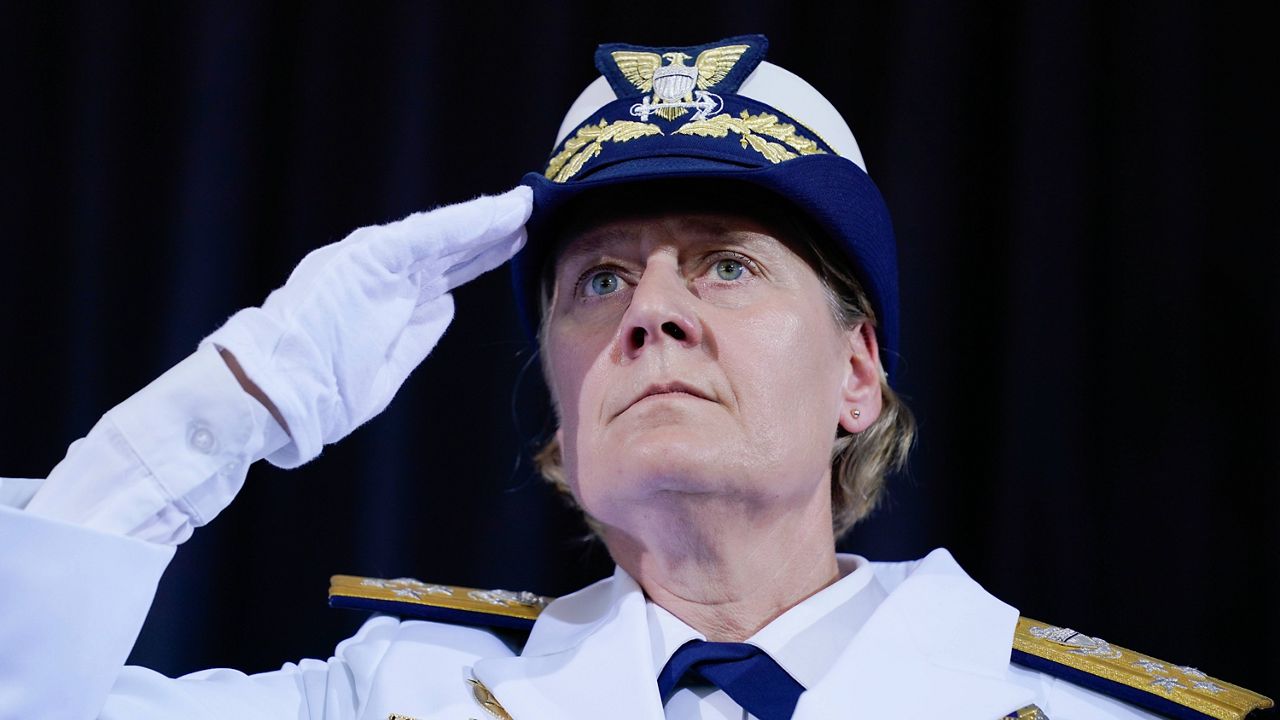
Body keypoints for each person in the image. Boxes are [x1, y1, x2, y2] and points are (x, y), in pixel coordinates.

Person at [0, 35, 1270, 720]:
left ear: (856, 376)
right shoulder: (385, 697)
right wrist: (230, 403)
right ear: (558, 415)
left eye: (724, 267)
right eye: (596, 282)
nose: (650, 312)